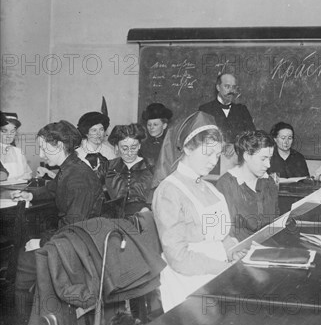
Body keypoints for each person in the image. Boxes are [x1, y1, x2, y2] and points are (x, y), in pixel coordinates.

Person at [10, 120, 103, 325]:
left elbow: (74, 226)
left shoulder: (77, 177)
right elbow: (54, 188)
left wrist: (42, 241)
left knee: (23, 258)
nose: (41, 155)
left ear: (60, 145)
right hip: (76, 238)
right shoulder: (71, 167)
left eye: (44, 148)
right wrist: (31, 193)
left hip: (77, 246)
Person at [152, 112, 245, 312]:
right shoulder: (169, 191)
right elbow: (178, 258)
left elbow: (223, 238)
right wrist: (226, 267)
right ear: (187, 148)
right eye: (207, 153)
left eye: (217, 155)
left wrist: (234, 249)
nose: (214, 161)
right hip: (188, 284)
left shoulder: (210, 188)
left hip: (217, 275)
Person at [216, 130, 279, 241]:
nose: (268, 165)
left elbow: (274, 219)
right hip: (240, 249)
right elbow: (226, 232)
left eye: (270, 158)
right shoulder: (226, 184)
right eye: (263, 159)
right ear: (246, 156)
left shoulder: (268, 182)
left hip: (268, 246)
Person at [198, 73, 255, 174]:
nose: (231, 91)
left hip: (237, 164)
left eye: (233, 87)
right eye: (227, 86)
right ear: (218, 87)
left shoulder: (242, 110)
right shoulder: (205, 109)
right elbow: (200, 137)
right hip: (212, 164)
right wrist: (220, 144)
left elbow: (251, 135)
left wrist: (236, 145)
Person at [100, 123, 153, 216]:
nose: (129, 153)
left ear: (139, 145)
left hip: (146, 216)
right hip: (117, 218)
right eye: (124, 148)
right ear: (116, 147)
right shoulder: (108, 166)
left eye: (133, 148)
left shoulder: (152, 166)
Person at [0, 112, 32, 181]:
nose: (9, 135)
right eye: (4, 131)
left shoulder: (18, 152)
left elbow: (28, 174)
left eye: (12, 131)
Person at [139, 102, 173, 169]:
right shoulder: (142, 145)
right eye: (149, 125)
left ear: (164, 126)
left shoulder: (170, 144)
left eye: (155, 125)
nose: (151, 128)